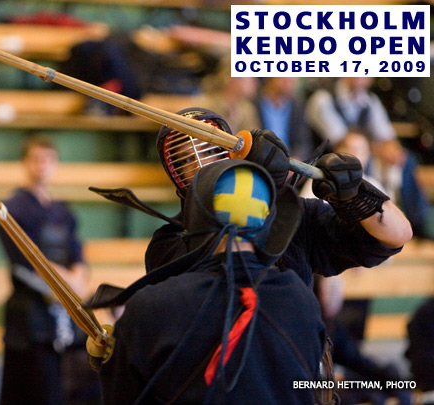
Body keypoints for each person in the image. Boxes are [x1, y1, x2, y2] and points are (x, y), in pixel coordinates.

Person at [94, 160, 327, 403]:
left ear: (196, 216)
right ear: (267, 222)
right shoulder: (302, 301)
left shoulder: (151, 307)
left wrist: (113, 358)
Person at [146, 107, 413, 293]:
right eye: (187, 160)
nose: (202, 165)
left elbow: (394, 235)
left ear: (230, 154)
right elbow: (216, 277)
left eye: (210, 150)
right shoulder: (169, 243)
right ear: (175, 176)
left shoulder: (298, 217)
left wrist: (354, 194)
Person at [0, 135, 100, 405]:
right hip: (30, 317)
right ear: (24, 163)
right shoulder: (12, 209)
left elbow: (77, 251)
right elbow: (26, 261)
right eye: (36, 159)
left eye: (48, 159)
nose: (42, 165)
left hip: (66, 312)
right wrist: (67, 285)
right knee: (31, 390)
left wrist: (78, 278)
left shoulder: (63, 210)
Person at [305, 77, 433, 240]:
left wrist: (392, 148)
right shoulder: (323, 98)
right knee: (356, 159)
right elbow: (343, 141)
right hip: (328, 161)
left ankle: (416, 223)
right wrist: (380, 149)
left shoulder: (370, 101)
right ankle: (369, 229)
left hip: (364, 154)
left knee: (406, 159)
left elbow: (386, 134)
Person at [315, 276, 413, 405]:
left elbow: (356, 359)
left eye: (337, 290)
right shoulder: (308, 327)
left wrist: (388, 377)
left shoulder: (331, 326)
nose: (335, 296)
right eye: (330, 290)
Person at [253, 77, 313, 161]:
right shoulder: (252, 104)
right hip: (262, 162)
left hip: (290, 163)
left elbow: (303, 141)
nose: (290, 79)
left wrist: (295, 160)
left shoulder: (296, 106)